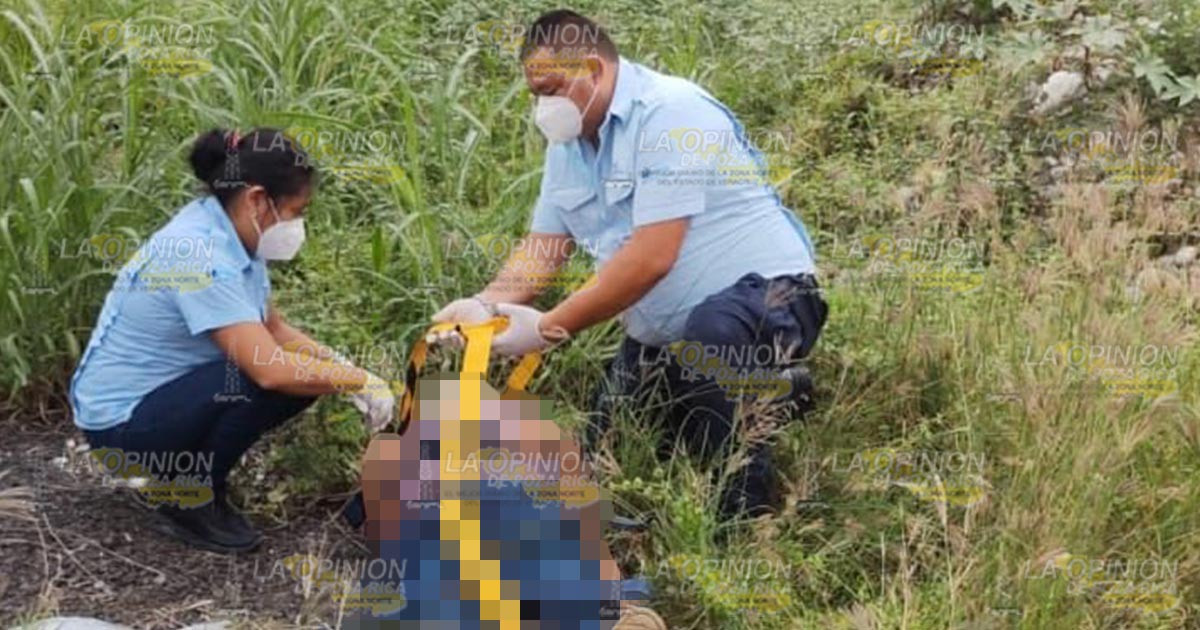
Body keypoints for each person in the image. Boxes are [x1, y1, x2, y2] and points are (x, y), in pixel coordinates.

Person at [432, 10, 828, 517]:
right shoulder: (570, 146)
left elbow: (652, 257)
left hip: (771, 297)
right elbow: (543, 248)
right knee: (609, 445)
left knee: (714, 353)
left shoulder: (671, 114)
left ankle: (741, 524)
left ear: (594, 69)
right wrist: (486, 304)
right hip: (668, 330)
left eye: (553, 89)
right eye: (536, 94)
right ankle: (779, 392)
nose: (544, 106)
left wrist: (550, 327)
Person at [69, 128, 396, 554]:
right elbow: (269, 367)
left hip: (160, 403)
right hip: (122, 427)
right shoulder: (198, 254)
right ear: (258, 200)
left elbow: (274, 330)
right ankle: (189, 496)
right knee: (262, 377)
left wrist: (346, 367)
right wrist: (355, 382)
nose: (298, 225)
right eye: (297, 211)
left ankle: (192, 478)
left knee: (297, 378)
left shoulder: (235, 236)